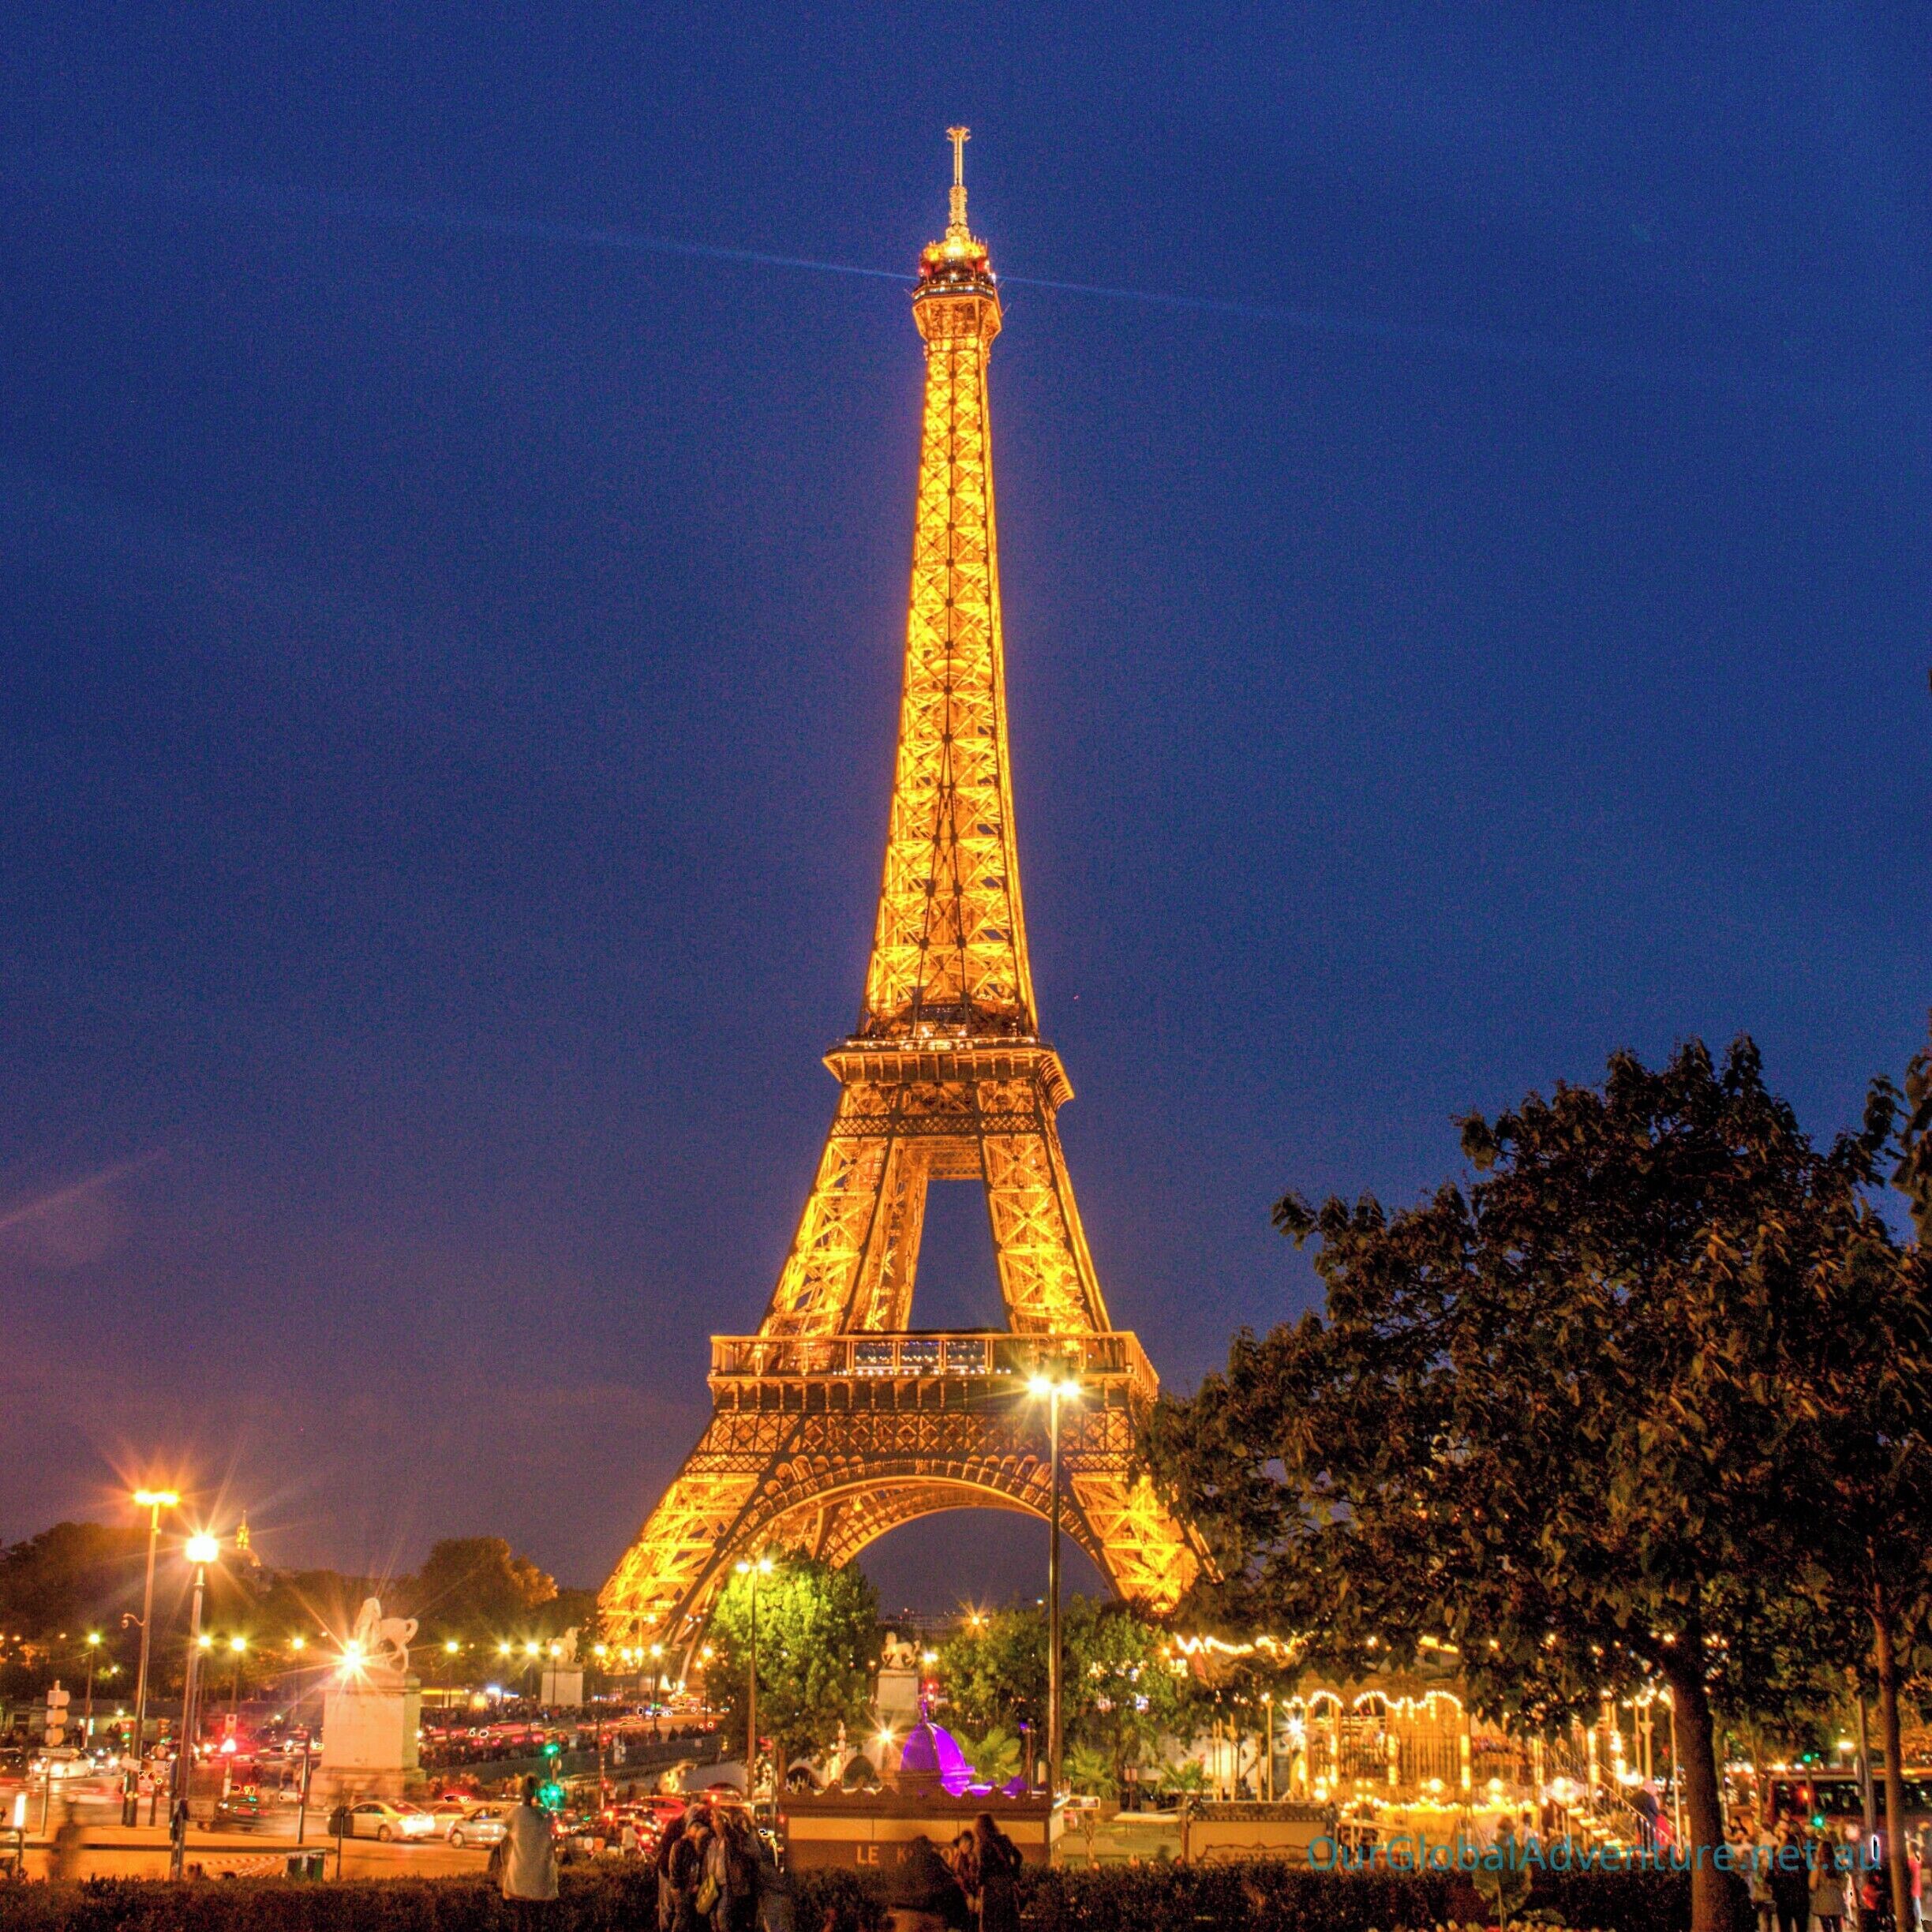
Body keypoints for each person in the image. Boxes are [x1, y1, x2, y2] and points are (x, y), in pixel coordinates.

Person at [500, 1778, 560, 1930]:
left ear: (522, 1792)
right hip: (542, 1880)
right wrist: (543, 1802)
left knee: (520, 1921)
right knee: (538, 1922)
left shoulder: (516, 1814)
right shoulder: (546, 1816)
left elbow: (505, 1825)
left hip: (518, 1879)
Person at [970, 1813, 1022, 1932]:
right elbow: (1019, 1856)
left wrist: (977, 1882)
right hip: (1007, 1888)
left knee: (991, 1925)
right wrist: (1013, 1874)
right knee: (1008, 1923)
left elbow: (983, 1871)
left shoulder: (984, 1845)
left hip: (991, 1890)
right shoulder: (1004, 1840)